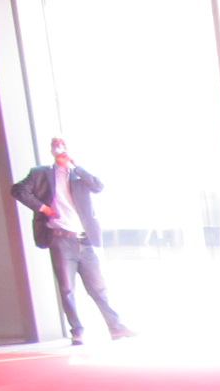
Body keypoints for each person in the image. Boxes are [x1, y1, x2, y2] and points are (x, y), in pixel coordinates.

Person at [9, 138, 134, 346]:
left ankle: (116, 327)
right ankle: (77, 330)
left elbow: (98, 186)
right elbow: (18, 190)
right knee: (67, 288)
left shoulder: (78, 175)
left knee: (98, 286)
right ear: (52, 151)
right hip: (60, 238)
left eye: (63, 146)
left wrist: (75, 166)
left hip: (84, 239)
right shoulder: (40, 173)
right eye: (56, 146)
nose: (61, 150)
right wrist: (43, 208)